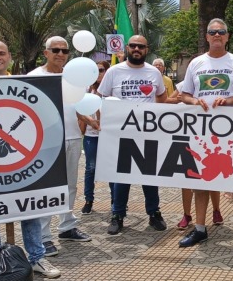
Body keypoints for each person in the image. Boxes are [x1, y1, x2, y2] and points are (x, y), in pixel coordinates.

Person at [0, 40, 60, 278]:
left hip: (22, 163)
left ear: (9, 57)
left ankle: (37, 258)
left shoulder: (24, 86)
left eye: (2, 53)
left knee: (29, 208)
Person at [178, 18, 233, 250]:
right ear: (207, 37)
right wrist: (194, 100)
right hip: (203, 130)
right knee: (201, 181)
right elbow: (184, 95)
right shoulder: (196, 63)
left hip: (232, 130)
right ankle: (200, 229)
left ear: (228, 36)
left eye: (222, 32)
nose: (217, 35)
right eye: (213, 32)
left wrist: (229, 100)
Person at [98, 35, 169, 235]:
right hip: (121, 134)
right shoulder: (113, 72)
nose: (137, 49)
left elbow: (162, 97)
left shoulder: (154, 72)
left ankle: (154, 213)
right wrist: (103, 123)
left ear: (147, 49)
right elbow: (102, 99)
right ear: (127, 48)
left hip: (148, 132)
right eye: (133, 46)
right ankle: (117, 215)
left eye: (141, 46)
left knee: (149, 176)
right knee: (121, 176)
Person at [28, 36, 92, 256]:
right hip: (45, 142)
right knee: (47, 189)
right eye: (55, 50)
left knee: (70, 186)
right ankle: (44, 237)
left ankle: (67, 226)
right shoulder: (34, 77)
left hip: (73, 137)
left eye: (64, 51)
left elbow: (75, 104)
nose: (60, 54)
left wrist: (90, 120)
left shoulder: (73, 76)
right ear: (45, 53)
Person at [78, 60, 112, 215]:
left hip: (109, 136)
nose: (99, 73)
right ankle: (88, 200)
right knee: (91, 168)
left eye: (101, 70)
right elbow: (80, 110)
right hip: (92, 136)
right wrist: (87, 124)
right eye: (96, 70)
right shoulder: (86, 91)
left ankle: (115, 201)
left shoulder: (111, 91)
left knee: (112, 170)